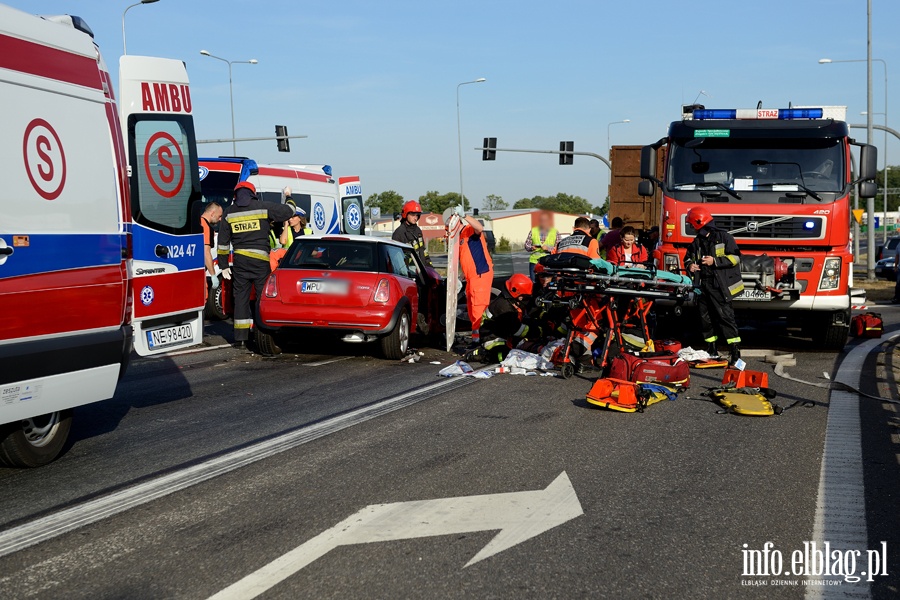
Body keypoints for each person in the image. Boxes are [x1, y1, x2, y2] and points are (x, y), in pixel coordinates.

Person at [217, 181, 294, 348]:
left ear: (236, 195)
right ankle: (262, 334)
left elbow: (223, 242)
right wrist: (288, 196)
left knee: (241, 299)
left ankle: (240, 338)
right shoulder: (262, 207)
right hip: (260, 262)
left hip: (240, 262)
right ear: (252, 193)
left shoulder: (229, 213)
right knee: (262, 299)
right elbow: (289, 211)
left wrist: (223, 265)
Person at [683, 206, 744, 365]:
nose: (691, 228)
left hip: (719, 285)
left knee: (725, 318)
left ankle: (735, 353)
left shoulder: (724, 237)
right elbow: (687, 258)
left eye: (692, 224)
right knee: (705, 319)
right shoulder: (697, 242)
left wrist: (714, 261)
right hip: (703, 286)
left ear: (699, 222)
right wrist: (690, 266)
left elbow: (736, 258)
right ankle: (712, 349)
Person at [468, 274, 537, 362]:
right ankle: (480, 354)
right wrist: (536, 331)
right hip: (491, 337)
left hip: (503, 333)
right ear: (515, 291)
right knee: (504, 357)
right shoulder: (503, 306)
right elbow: (516, 329)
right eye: (523, 296)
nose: (523, 299)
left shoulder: (510, 300)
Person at [455, 205, 493, 345]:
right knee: (472, 308)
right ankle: (477, 338)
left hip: (481, 274)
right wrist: (460, 276)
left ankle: (480, 340)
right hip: (472, 277)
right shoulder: (458, 238)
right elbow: (465, 259)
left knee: (478, 307)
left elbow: (479, 228)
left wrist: (465, 216)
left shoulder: (469, 231)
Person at [392, 200, 432, 267]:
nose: (415, 218)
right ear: (406, 214)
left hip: (421, 271)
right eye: (413, 215)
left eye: (417, 215)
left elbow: (423, 250)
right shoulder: (399, 233)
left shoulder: (418, 230)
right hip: (407, 272)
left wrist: (430, 267)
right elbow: (396, 258)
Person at [524, 211, 558, 281]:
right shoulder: (533, 231)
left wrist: (548, 248)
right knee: (534, 283)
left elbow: (558, 247)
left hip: (549, 262)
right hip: (535, 262)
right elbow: (527, 245)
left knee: (549, 283)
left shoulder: (555, 232)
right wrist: (531, 247)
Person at [200, 202, 223, 302]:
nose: (220, 219)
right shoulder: (206, 227)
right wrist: (213, 275)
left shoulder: (197, 222)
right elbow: (206, 252)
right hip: (200, 272)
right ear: (212, 213)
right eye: (219, 216)